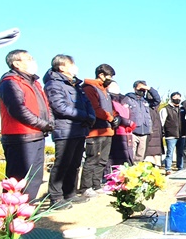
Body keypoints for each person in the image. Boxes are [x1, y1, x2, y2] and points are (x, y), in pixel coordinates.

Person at [0, 50, 53, 204]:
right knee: (17, 181)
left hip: (37, 135)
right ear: (16, 63)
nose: (33, 61)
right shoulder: (10, 82)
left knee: (34, 180)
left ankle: (25, 216)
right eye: (29, 58)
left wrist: (50, 122)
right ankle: (8, 218)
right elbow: (17, 109)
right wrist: (43, 124)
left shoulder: (34, 83)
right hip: (20, 137)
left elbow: (46, 107)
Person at [43, 54, 95, 208]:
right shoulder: (54, 84)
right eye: (72, 64)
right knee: (62, 163)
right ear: (62, 67)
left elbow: (87, 103)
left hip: (79, 128)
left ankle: (70, 193)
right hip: (64, 129)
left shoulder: (75, 85)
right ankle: (56, 198)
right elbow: (59, 107)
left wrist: (90, 116)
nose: (75, 67)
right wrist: (84, 116)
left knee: (75, 163)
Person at [80, 64, 118, 196]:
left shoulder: (105, 91)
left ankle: (96, 185)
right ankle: (86, 187)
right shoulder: (90, 88)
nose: (110, 79)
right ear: (101, 75)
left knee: (102, 160)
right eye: (109, 76)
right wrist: (110, 117)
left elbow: (110, 108)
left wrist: (115, 116)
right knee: (92, 159)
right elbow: (95, 109)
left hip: (107, 129)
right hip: (95, 131)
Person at [108, 82, 135, 168]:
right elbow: (115, 114)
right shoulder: (109, 99)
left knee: (128, 157)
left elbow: (132, 113)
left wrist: (131, 122)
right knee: (116, 158)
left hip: (127, 132)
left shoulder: (124, 100)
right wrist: (127, 122)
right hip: (116, 131)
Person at [126, 81, 154, 163]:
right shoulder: (128, 99)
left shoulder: (145, 101)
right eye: (140, 88)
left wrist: (149, 88)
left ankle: (138, 171)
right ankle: (130, 171)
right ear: (135, 89)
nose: (142, 90)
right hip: (133, 131)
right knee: (131, 154)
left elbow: (157, 99)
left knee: (141, 155)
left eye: (143, 88)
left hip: (144, 131)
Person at [158, 92, 184, 173]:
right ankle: (168, 168)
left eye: (179, 98)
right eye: (176, 98)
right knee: (170, 153)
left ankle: (181, 168)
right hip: (170, 135)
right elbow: (161, 122)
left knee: (181, 153)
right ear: (171, 98)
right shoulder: (165, 109)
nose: (177, 100)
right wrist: (162, 132)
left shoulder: (183, 109)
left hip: (182, 134)